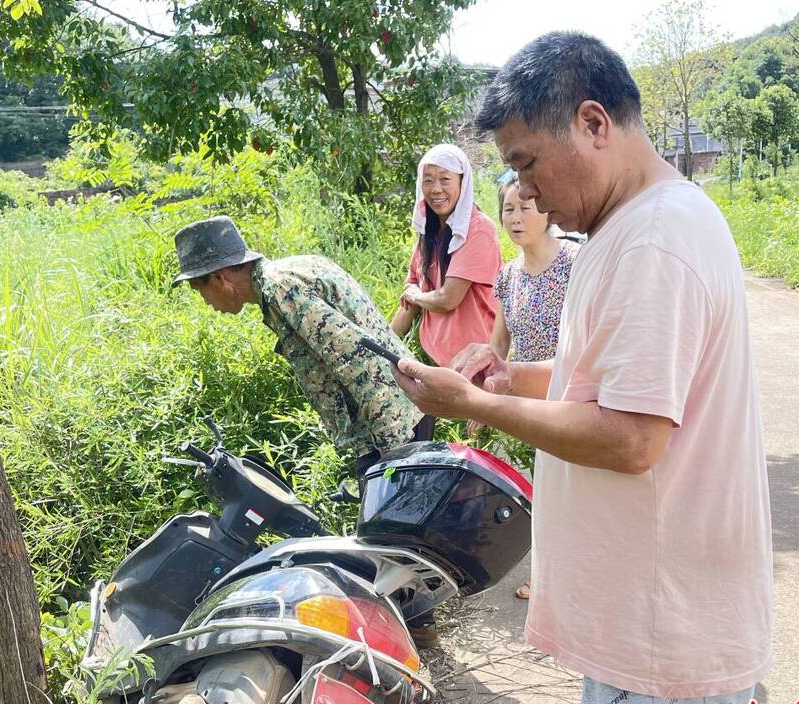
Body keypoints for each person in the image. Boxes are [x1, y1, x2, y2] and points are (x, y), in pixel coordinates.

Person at [390, 32, 771, 704]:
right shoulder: (621, 228)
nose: (522, 188)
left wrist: (478, 405)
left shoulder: (656, 240)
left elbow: (633, 438)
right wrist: (511, 377)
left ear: (594, 124)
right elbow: (603, 384)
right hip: (647, 618)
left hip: (665, 625)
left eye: (527, 163)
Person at [171, 215, 434, 484]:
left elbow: (356, 360)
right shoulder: (287, 273)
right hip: (400, 413)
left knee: (392, 524)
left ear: (218, 278)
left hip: (394, 424)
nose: (205, 302)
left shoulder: (280, 288)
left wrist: (392, 448)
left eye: (198, 290)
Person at [483, 174, 578, 601]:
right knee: (544, 491)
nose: (517, 217)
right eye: (509, 209)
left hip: (573, 396)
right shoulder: (507, 276)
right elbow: (500, 342)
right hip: (529, 403)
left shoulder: (575, 262)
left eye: (526, 207)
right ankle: (551, 577)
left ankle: (572, 579)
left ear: (546, 209)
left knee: (574, 491)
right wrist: (481, 399)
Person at [390, 144, 501, 366]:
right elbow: (409, 295)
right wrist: (384, 342)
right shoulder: (431, 233)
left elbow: (447, 299)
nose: (436, 189)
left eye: (445, 179)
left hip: (473, 365)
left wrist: (416, 296)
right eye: (428, 180)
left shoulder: (478, 230)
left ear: (462, 181)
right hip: (434, 361)